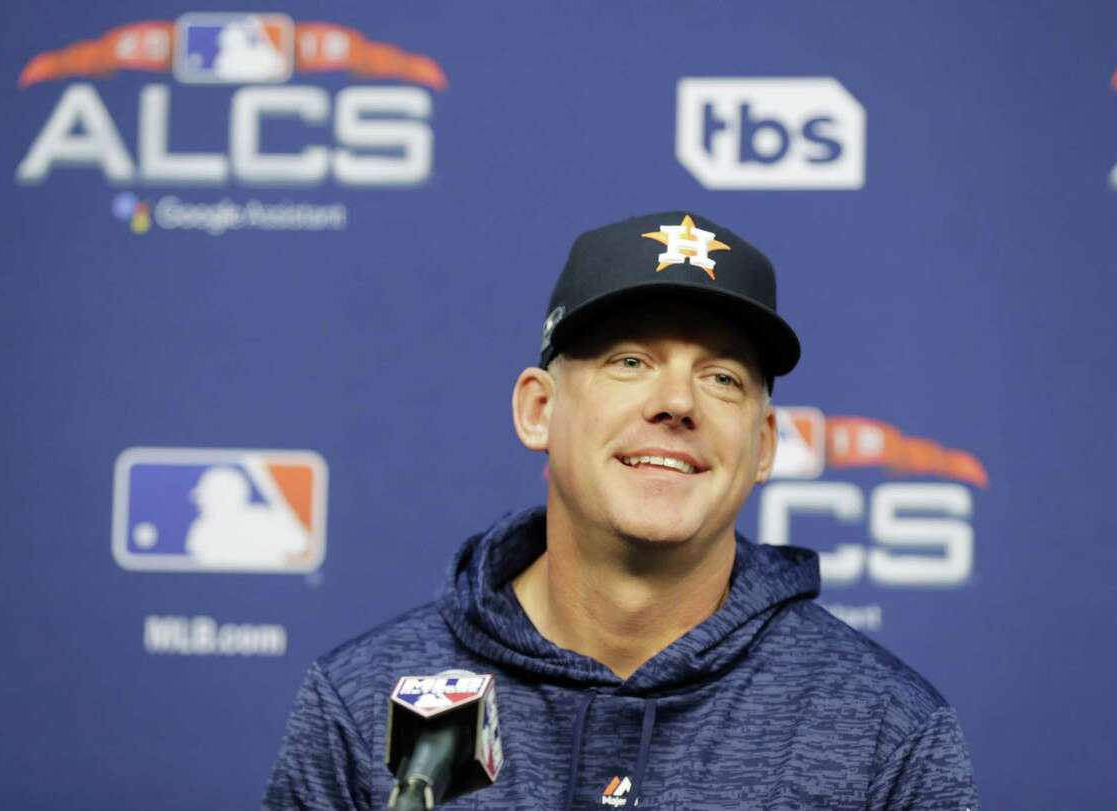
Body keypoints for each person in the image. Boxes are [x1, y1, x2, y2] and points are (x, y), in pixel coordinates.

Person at [263, 212, 979, 810]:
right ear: (539, 409)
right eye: (629, 361)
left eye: (722, 377)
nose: (676, 402)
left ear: (763, 447)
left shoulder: (884, 729)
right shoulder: (361, 702)